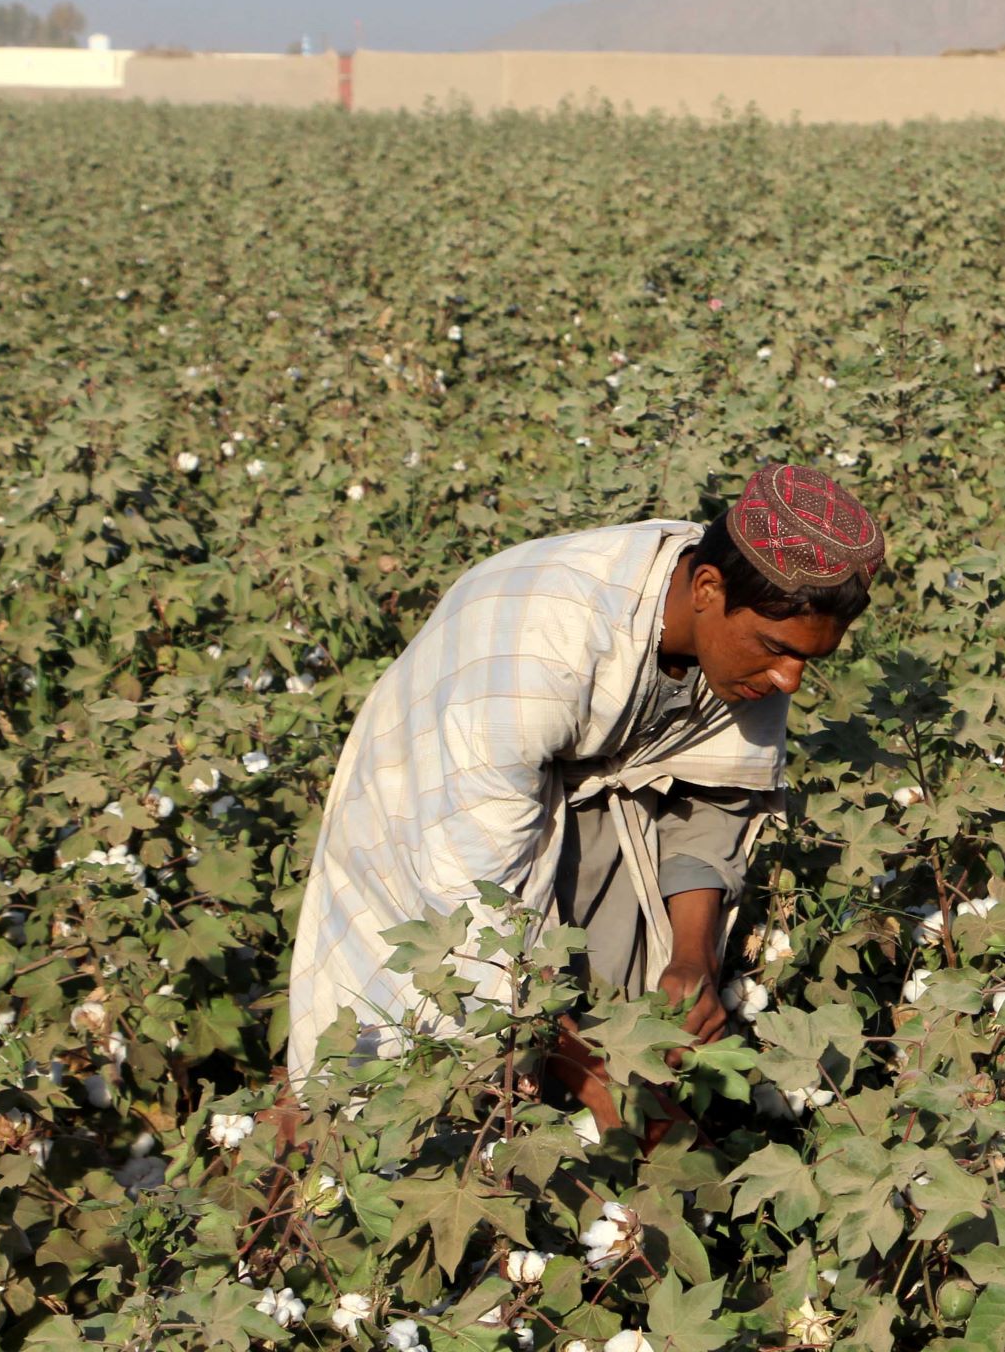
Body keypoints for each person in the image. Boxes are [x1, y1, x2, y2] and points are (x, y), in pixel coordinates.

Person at [285, 464, 884, 1134]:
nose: (789, 681)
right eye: (777, 651)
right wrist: (582, 1065)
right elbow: (476, 899)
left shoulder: (747, 647)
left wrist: (691, 960)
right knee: (420, 1059)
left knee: (618, 1041)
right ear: (707, 590)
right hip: (439, 801)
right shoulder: (531, 652)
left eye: (809, 660)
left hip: (587, 807)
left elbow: (717, 801)